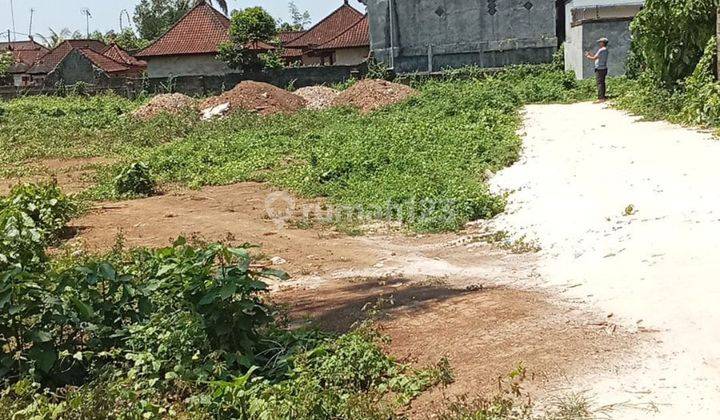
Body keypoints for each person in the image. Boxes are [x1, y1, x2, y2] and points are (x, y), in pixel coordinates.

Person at [585, 38, 609, 102]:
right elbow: (597, 57)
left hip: (599, 68)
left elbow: (594, 58)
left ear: (603, 43)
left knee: (599, 83)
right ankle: (603, 96)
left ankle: (601, 98)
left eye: (600, 42)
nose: (599, 43)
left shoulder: (601, 50)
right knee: (602, 82)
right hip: (604, 68)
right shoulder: (605, 50)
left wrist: (587, 56)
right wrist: (590, 54)